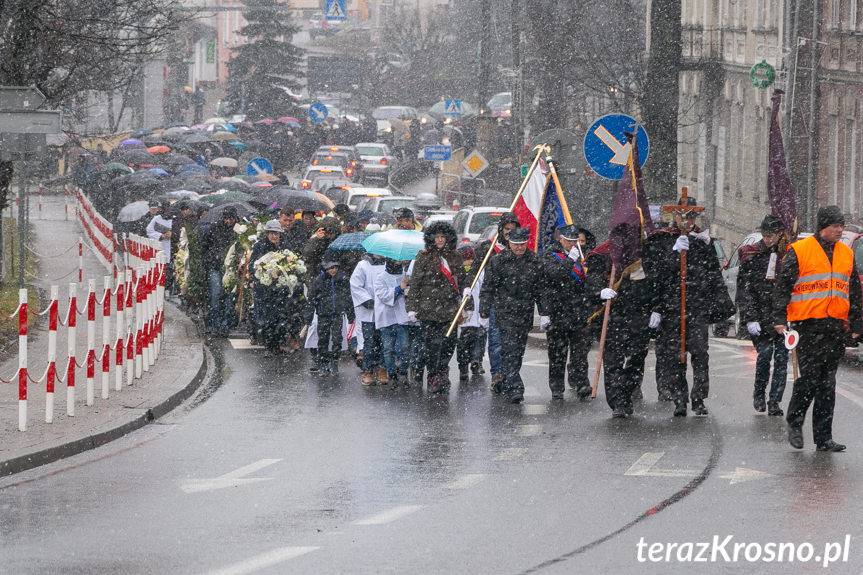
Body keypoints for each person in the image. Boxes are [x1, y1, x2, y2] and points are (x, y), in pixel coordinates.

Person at [774, 206, 862, 451]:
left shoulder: (846, 253)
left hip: (834, 327)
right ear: (822, 227)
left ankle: (823, 438)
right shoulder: (801, 251)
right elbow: (783, 287)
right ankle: (795, 422)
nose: (839, 230)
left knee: (827, 384)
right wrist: (779, 318)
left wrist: (856, 322)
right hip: (807, 326)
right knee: (808, 380)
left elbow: (853, 290)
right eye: (835, 226)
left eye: (841, 225)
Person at [642, 196, 734, 417]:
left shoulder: (703, 243)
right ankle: (679, 399)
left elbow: (713, 275)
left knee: (700, 353)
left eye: (690, 217)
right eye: (681, 216)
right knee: (675, 356)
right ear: (674, 216)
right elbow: (656, 275)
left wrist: (720, 306)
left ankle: (698, 397)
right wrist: (673, 253)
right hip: (672, 307)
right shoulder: (662, 240)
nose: (686, 222)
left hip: (696, 307)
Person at [586, 240, 656, 417]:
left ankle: (625, 393)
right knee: (613, 362)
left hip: (639, 316)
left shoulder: (647, 253)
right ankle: (618, 402)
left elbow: (657, 282)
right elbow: (591, 282)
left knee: (636, 360)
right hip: (613, 316)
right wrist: (599, 292)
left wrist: (657, 308)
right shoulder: (603, 253)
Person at [480, 227, 546, 404]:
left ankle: (510, 380)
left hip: (524, 313)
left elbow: (540, 289)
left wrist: (544, 312)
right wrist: (484, 310)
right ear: (509, 243)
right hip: (505, 312)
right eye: (516, 244)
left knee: (518, 351)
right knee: (509, 349)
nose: (519, 248)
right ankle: (515, 386)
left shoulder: (534, 261)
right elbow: (488, 287)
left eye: (522, 244)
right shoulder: (498, 261)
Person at [737, 214, 789, 416]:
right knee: (765, 355)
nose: (768, 239)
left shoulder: (787, 254)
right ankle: (759, 394)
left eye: (772, 235)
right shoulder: (752, 255)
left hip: (782, 315)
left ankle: (775, 400)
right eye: (765, 235)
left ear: (779, 234)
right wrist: (750, 317)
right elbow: (745, 288)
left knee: (782, 360)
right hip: (760, 314)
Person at [406, 222, 466, 395]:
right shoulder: (423, 256)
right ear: (431, 238)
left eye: (442, 237)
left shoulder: (455, 257)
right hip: (428, 309)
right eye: (437, 237)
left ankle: (442, 371)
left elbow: (462, 282)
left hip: (450, 310)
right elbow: (415, 283)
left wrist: (467, 304)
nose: (440, 240)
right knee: (431, 347)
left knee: (448, 345)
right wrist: (412, 307)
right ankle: (433, 375)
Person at [540, 224, 594, 400]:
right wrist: (570, 260)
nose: (572, 244)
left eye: (574, 241)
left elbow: (589, 281)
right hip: (558, 311)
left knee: (580, 353)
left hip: (578, 310)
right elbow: (555, 276)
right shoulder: (550, 255)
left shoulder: (582, 255)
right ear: (560, 239)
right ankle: (557, 387)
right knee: (557, 353)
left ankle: (582, 383)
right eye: (569, 241)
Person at [475, 212, 520, 391]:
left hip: (514, 302)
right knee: (495, 341)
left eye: (513, 230)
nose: (509, 233)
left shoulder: (519, 249)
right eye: (507, 229)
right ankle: (497, 374)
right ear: (501, 230)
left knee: (513, 343)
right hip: (495, 301)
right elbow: (476, 272)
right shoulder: (487, 248)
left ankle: (511, 374)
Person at [306, 260, 354, 374]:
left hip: (337, 314)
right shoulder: (319, 281)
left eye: (335, 267)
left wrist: (350, 313)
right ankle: (323, 363)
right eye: (331, 268)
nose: (333, 270)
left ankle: (334, 361)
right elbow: (312, 299)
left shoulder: (342, 280)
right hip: (323, 314)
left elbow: (347, 297)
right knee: (323, 339)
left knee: (337, 339)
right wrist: (308, 317)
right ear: (325, 269)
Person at [250, 220, 289, 355]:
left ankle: (277, 344)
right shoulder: (259, 246)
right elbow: (253, 266)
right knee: (266, 318)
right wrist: (263, 272)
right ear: (267, 233)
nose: (275, 236)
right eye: (272, 233)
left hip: (279, 287)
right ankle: (268, 345)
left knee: (280, 317)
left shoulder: (283, 247)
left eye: (277, 233)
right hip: (264, 288)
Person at [198, 207, 238, 336]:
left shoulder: (237, 232)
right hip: (215, 266)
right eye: (226, 218)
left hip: (229, 268)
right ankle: (214, 323)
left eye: (231, 218)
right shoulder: (214, 229)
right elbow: (205, 246)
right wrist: (210, 259)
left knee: (228, 297)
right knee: (216, 295)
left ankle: (224, 325)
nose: (228, 221)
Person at [350, 253, 386, 385]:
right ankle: (368, 370)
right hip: (368, 312)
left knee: (384, 342)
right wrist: (367, 300)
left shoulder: (387, 264)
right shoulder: (362, 265)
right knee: (369, 343)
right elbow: (355, 285)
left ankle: (382, 369)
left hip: (384, 310)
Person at [374, 259, 411, 384]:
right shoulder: (380, 277)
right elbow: (384, 296)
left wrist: (407, 288)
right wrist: (399, 289)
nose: (397, 262)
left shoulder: (405, 276)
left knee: (404, 347)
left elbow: (409, 295)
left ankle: (403, 373)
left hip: (402, 317)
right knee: (388, 348)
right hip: (386, 318)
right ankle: (392, 374)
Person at [456, 245, 486, 382]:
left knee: (479, 340)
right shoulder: (458, 274)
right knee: (464, 343)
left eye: (471, 259)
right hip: (465, 316)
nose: (469, 262)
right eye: (466, 259)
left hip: (479, 314)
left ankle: (476, 361)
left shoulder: (480, 272)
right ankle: (463, 367)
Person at [302, 217, 340, 281]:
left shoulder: (339, 239)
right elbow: (307, 253)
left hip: (335, 274)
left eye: (332, 232)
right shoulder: (316, 238)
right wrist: (316, 239)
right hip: (316, 273)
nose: (329, 235)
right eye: (327, 231)